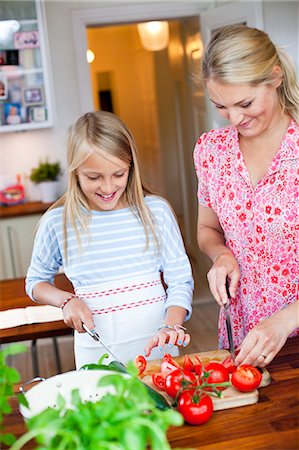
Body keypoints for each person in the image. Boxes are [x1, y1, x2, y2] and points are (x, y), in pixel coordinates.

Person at [26, 111, 193, 369]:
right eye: (94, 177)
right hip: (96, 350)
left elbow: (180, 279)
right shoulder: (58, 222)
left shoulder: (156, 212)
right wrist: (67, 301)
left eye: (118, 174)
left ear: (131, 167)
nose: (107, 187)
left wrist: (171, 325)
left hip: (158, 348)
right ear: (75, 173)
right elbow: (36, 282)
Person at [193, 25, 299, 368]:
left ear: (275, 76)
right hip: (243, 339)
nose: (235, 118)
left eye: (245, 103)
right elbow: (207, 229)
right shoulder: (211, 151)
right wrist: (221, 255)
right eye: (221, 106)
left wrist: (284, 321)